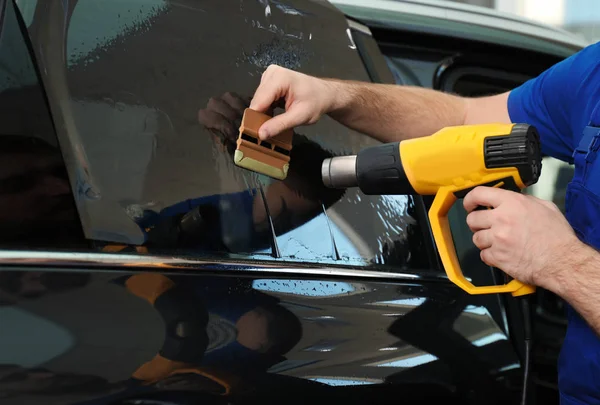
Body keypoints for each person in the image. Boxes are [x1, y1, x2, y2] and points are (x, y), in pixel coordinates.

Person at [249, 42, 600, 404]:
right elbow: (465, 120)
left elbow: (558, 258)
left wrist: (558, 259)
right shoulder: (593, 74)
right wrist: (335, 95)